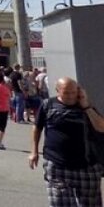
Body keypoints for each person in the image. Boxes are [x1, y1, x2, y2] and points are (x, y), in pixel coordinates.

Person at [29, 77, 104, 206]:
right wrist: (33, 151)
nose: (70, 96)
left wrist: (86, 106)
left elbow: (101, 127)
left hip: (86, 167)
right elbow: (37, 127)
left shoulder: (86, 108)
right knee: (60, 203)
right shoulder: (48, 105)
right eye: (66, 92)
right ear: (57, 91)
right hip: (57, 166)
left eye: (73, 92)